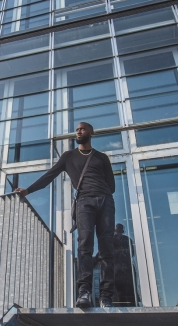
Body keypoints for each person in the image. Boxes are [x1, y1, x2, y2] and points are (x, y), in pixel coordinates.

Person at [15, 122, 116, 308]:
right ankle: (84, 291)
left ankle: (106, 296)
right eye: (77, 129)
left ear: (91, 132)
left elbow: (112, 185)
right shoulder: (69, 157)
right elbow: (49, 176)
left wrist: (102, 195)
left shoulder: (102, 157)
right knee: (85, 245)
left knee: (106, 249)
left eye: (83, 129)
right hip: (84, 201)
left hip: (105, 201)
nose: (79, 131)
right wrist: (28, 190)